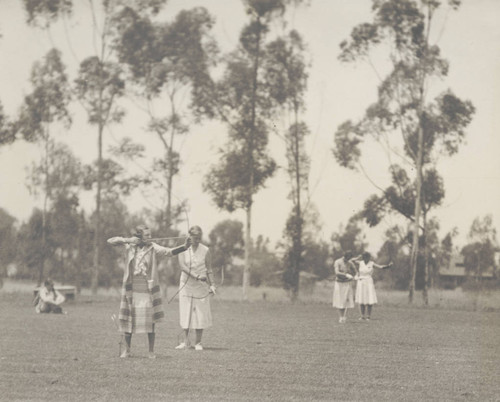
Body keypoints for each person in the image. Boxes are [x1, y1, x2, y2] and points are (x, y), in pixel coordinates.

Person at [107, 224, 191, 359]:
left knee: (150, 321)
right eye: (147, 235)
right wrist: (129, 240)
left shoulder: (152, 247)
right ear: (139, 236)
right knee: (129, 320)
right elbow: (110, 241)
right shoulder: (129, 246)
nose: (150, 238)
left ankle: (151, 352)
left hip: (147, 288)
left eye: (150, 235)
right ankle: (127, 351)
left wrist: (185, 247)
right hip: (131, 287)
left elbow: (168, 252)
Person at [175, 226, 216, 351]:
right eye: (195, 238)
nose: (197, 240)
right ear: (189, 236)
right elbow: (183, 267)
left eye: (199, 238)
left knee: (200, 313)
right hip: (186, 285)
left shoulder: (205, 250)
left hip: (201, 286)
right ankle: (185, 342)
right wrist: (197, 276)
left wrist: (212, 284)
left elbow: (209, 269)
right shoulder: (182, 249)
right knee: (186, 312)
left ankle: (198, 342)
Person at [351, 252, 393, 321]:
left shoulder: (372, 263)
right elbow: (351, 261)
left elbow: (380, 267)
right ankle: (362, 316)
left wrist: (388, 266)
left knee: (369, 299)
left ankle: (368, 316)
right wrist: (358, 257)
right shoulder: (360, 262)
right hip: (361, 281)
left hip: (369, 282)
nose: (367, 259)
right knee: (361, 299)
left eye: (368, 257)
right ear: (363, 258)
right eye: (365, 257)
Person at [332, 251, 356, 323]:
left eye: (349, 258)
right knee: (340, 299)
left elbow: (355, 271)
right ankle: (341, 316)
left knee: (346, 300)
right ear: (345, 256)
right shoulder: (338, 262)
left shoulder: (350, 263)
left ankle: (344, 316)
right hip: (339, 283)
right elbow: (337, 272)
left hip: (347, 283)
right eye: (347, 258)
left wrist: (353, 276)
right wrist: (346, 275)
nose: (348, 259)